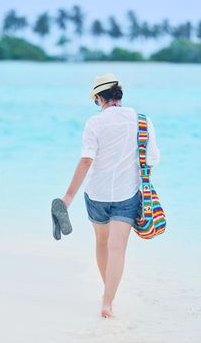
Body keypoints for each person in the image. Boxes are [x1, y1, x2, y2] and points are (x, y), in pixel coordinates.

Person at [61, 73, 160, 318]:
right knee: (118, 249)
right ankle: (108, 302)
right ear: (119, 95)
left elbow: (86, 160)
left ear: (98, 98)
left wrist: (68, 198)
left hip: (96, 194)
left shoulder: (95, 123)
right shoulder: (142, 121)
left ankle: (108, 294)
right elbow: (152, 159)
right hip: (127, 195)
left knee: (102, 243)